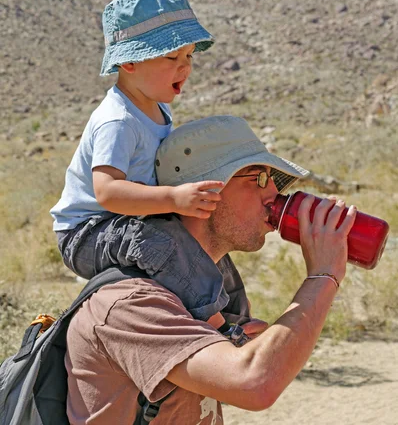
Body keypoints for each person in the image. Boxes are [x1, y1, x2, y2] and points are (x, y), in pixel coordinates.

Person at [65, 115, 357, 425]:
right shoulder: (130, 303)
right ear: (203, 192)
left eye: (273, 178)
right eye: (257, 177)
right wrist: (323, 275)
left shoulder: (207, 294)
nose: (274, 192)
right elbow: (255, 384)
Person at [50, 0, 239, 326]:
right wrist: (172, 197)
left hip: (129, 220)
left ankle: (236, 315)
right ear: (130, 62)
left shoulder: (157, 109)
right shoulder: (118, 120)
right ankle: (217, 329)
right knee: (160, 240)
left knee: (206, 239)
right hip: (88, 232)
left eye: (189, 56)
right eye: (171, 57)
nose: (185, 67)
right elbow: (107, 192)